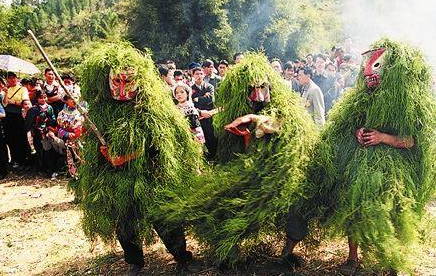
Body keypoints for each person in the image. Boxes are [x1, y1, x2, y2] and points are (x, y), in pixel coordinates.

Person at [164, 52, 317, 270]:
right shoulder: (234, 112)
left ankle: (287, 254)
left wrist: (254, 119)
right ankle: (230, 253)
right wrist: (245, 134)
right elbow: (239, 153)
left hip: (281, 176)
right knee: (224, 203)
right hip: (247, 175)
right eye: (251, 90)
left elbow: (279, 126)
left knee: (295, 210)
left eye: (262, 88)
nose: (257, 95)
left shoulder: (286, 110)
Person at [306, 38, 436, 275]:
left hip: (394, 169)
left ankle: (391, 259)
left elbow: (413, 140)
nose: (369, 73)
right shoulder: (361, 98)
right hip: (360, 164)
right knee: (353, 205)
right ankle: (353, 258)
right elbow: (346, 125)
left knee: (390, 211)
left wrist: (383, 137)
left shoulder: (408, 103)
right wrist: (357, 131)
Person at [74, 42, 203, 274]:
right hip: (117, 178)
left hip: (151, 175)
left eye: (128, 82)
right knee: (124, 220)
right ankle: (134, 260)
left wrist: (125, 157)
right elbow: (94, 149)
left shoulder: (151, 109)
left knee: (165, 217)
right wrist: (101, 154)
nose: (122, 90)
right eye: (117, 82)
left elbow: (158, 145)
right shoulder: (100, 111)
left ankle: (182, 256)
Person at [2, 72, 30, 169]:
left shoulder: (23, 89)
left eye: (14, 78)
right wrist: (5, 93)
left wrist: (12, 102)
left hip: (19, 115)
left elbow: (25, 102)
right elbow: (4, 103)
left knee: (21, 137)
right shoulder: (6, 89)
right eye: (9, 78)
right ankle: (14, 159)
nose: (12, 80)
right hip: (8, 116)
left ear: (17, 78)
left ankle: (24, 159)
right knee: (10, 138)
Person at [191, 67, 217, 159]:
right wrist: (203, 99)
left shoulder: (209, 86)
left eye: (201, 74)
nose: (199, 76)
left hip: (208, 116)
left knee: (210, 136)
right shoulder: (190, 89)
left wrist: (197, 99)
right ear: (193, 75)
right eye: (197, 74)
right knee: (199, 138)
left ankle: (213, 157)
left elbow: (210, 99)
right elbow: (191, 103)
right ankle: (202, 158)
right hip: (196, 117)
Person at [56, 95, 84, 176]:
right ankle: (75, 176)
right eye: (71, 98)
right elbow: (59, 129)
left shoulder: (83, 112)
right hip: (70, 140)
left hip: (83, 139)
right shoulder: (62, 113)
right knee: (72, 159)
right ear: (66, 100)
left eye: (75, 97)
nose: (74, 100)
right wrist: (67, 134)